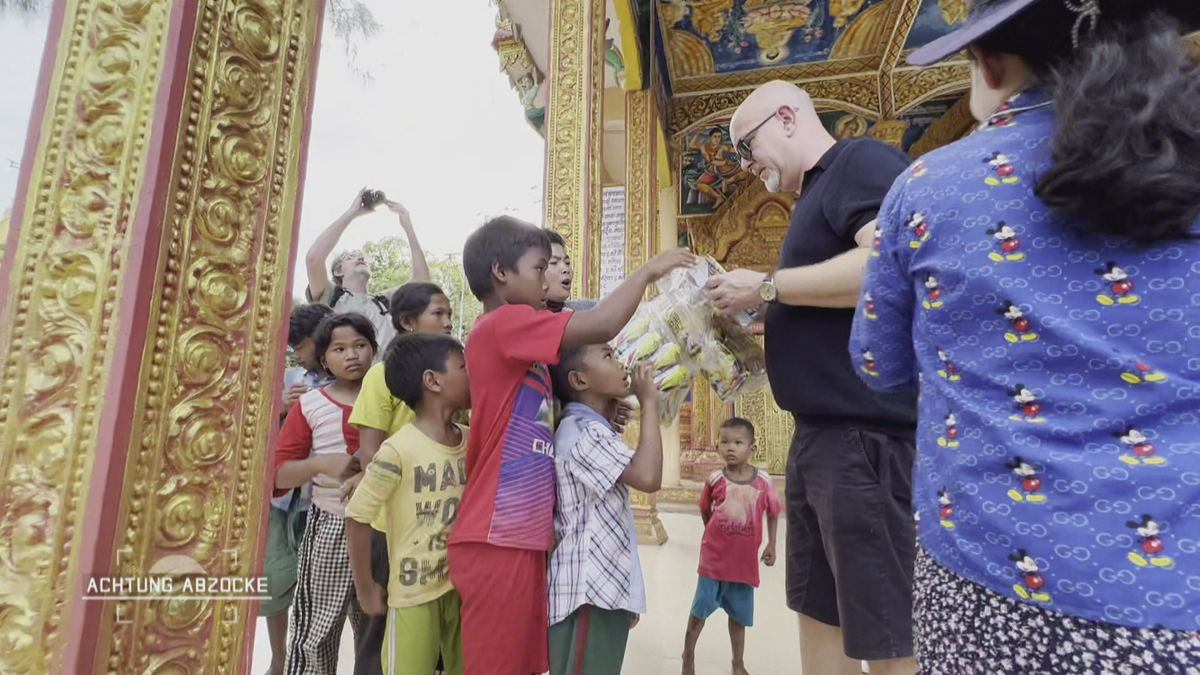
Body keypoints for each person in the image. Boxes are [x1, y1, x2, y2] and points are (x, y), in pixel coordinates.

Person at [849, 1, 1200, 671]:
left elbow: (877, 360)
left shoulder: (929, 188)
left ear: (989, 59)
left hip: (987, 585)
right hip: (1176, 600)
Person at [706, 79, 919, 674]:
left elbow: (892, 262)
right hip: (821, 442)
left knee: (884, 628)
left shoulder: (858, 161)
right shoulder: (817, 196)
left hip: (864, 439)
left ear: (787, 117)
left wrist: (769, 286)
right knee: (819, 613)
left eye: (747, 146)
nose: (747, 166)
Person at [448, 215, 694, 675]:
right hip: (496, 531)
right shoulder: (503, 324)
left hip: (522, 534)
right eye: (540, 267)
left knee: (520, 663)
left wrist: (606, 407)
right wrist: (646, 272)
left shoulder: (530, 353)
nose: (548, 278)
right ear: (501, 273)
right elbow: (600, 322)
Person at [339, 282, 456, 675]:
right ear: (407, 322)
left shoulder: (456, 383)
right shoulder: (381, 376)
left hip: (436, 527)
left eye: (449, 314)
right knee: (380, 631)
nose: (448, 322)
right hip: (391, 526)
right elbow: (370, 451)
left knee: (433, 634)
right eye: (438, 313)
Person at [546, 350, 664, 675]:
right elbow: (647, 477)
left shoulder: (591, 428)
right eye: (608, 355)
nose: (622, 362)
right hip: (589, 594)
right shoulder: (582, 431)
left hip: (601, 592)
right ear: (579, 379)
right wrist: (650, 404)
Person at [274, 313, 376, 675]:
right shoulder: (310, 405)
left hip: (383, 530)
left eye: (360, 345)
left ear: (374, 350)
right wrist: (322, 465)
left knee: (376, 634)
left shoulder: (395, 401)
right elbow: (279, 475)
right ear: (323, 359)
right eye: (340, 348)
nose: (352, 355)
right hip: (330, 527)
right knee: (315, 635)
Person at [261, 303, 334, 675]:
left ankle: (305, 659)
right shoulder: (288, 379)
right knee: (274, 583)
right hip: (282, 501)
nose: (298, 354)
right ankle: (278, 656)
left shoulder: (349, 379)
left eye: (301, 346)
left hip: (320, 502)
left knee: (317, 587)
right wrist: (279, 410)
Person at [681, 418, 781, 675]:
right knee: (699, 610)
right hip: (713, 561)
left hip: (743, 564)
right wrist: (712, 534)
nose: (731, 448)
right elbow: (705, 509)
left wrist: (771, 543)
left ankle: (738, 662)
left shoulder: (764, 482)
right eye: (725, 442)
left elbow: (772, 512)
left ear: (752, 448)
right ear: (717, 446)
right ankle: (688, 656)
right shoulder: (715, 479)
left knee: (739, 616)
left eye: (738, 443)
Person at [304, 189, 431, 355]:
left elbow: (422, 285)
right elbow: (313, 259)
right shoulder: (331, 297)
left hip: (385, 379)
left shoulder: (385, 301)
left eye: (362, 256)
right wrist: (352, 214)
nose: (360, 258)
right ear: (338, 271)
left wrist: (408, 227)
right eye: (351, 257)